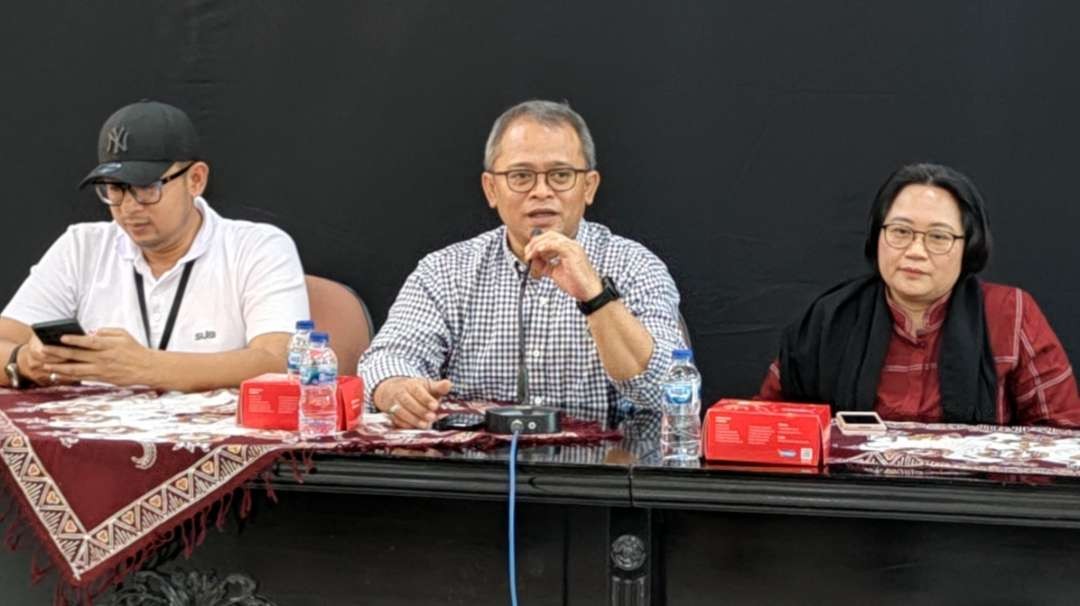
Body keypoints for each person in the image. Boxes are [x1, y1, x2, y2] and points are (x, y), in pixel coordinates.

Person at [359, 99, 685, 428]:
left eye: (561, 175)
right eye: (521, 176)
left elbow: (668, 388)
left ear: (589, 187)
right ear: (491, 189)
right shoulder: (445, 272)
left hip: (603, 472)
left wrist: (596, 295)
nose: (541, 191)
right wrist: (398, 390)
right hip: (476, 472)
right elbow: (388, 358)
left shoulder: (637, 267)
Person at [0, 100, 309, 392]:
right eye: (115, 190)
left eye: (147, 188)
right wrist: (24, 361)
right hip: (100, 439)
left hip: (210, 441)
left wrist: (145, 367)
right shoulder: (82, 247)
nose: (130, 207)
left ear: (196, 180)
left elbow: (281, 362)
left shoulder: (258, 248)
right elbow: (5, 340)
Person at [757, 162, 1080, 427]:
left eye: (937, 237)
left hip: (977, 501)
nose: (915, 251)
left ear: (968, 247)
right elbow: (769, 427)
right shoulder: (827, 319)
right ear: (877, 236)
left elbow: (1065, 438)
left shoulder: (1011, 315)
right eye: (900, 231)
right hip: (851, 501)